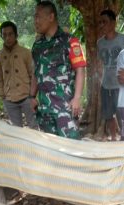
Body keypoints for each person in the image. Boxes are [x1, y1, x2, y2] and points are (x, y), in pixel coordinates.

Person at [31, 1, 86, 139]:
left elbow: (80, 69)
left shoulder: (70, 41)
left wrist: (77, 98)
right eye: (34, 17)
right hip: (44, 109)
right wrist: (31, 96)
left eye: (38, 17)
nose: (35, 21)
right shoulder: (37, 45)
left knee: (71, 148)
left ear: (51, 17)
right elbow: (36, 73)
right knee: (51, 150)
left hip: (65, 108)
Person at [0, 21, 37, 129]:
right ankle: (21, 147)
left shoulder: (25, 52)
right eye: (4, 35)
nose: (7, 38)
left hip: (26, 96)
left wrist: (32, 96)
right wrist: (2, 95)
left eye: (10, 34)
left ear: (16, 35)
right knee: (16, 130)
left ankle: (36, 146)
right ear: (1, 36)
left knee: (34, 127)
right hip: (9, 97)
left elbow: (33, 74)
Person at [97, 9, 124, 141]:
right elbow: (100, 63)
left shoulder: (123, 40)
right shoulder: (100, 43)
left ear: (113, 23)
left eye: (105, 22)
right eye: (100, 23)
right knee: (109, 115)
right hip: (106, 84)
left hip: (120, 84)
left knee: (122, 114)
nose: (102, 25)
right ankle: (114, 138)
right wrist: (100, 79)